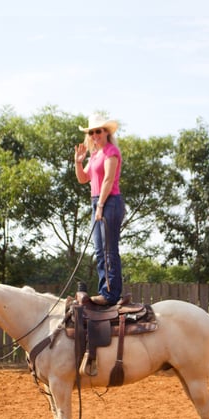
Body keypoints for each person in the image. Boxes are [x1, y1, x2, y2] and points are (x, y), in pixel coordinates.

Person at [74, 113, 125, 306]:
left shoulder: (111, 152)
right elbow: (83, 179)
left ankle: (111, 294)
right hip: (97, 201)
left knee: (109, 250)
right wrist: (79, 162)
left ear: (106, 132)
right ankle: (105, 290)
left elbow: (108, 180)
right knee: (99, 251)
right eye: (92, 132)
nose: (95, 134)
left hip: (110, 201)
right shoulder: (95, 154)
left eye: (98, 131)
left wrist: (101, 205)